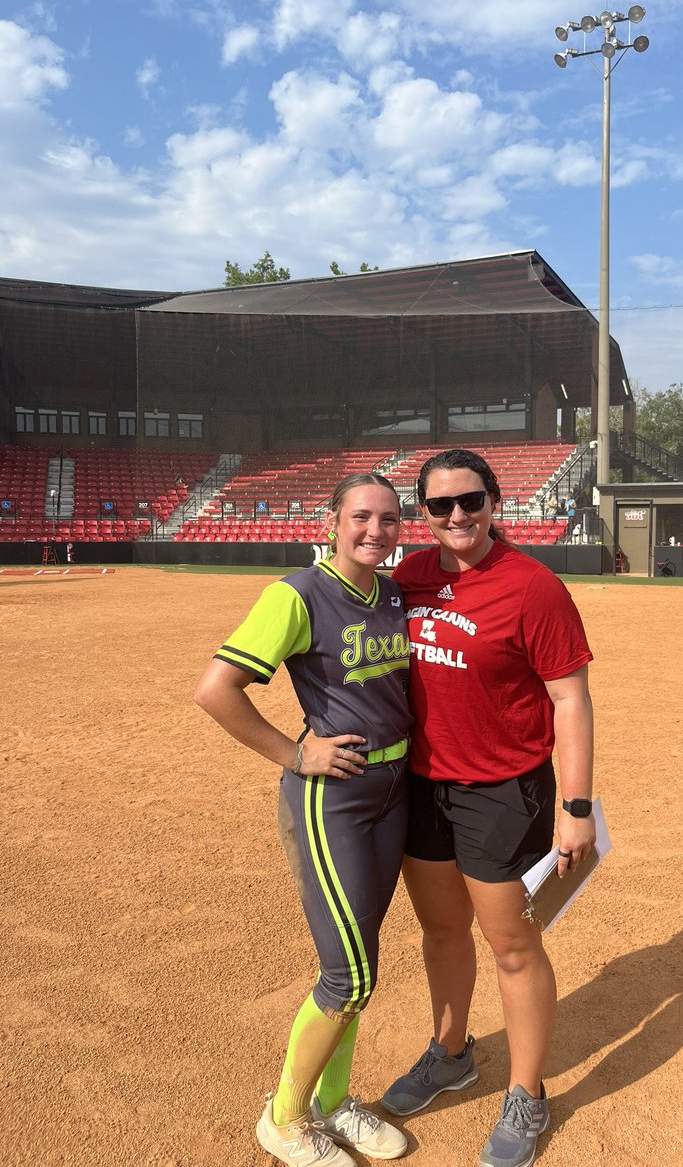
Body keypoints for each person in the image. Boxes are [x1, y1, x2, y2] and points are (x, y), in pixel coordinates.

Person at [381, 449, 596, 1167]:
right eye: (439, 506)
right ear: (424, 514)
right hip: (424, 786)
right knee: (442, 933)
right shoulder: (409, 578)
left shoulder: (532, 586)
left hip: (505, 790)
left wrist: (576, 806)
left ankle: (527, 1093)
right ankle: (451, 1055)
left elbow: (570, 699)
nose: (456, 517)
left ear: (496, 502)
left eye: (469, 500)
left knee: (512, 947)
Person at [194, 473, 412, 1167]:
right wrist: (295, 753)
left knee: (363, 959)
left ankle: (331, 1100)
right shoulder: (297, 594)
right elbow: (215, 691)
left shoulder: (393, 593)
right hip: (335, 797)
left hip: (394, 790)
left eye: (387, 519)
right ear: (330, 521)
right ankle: (284, 1118)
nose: (374, 530)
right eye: (360, 517)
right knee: (347, 972)